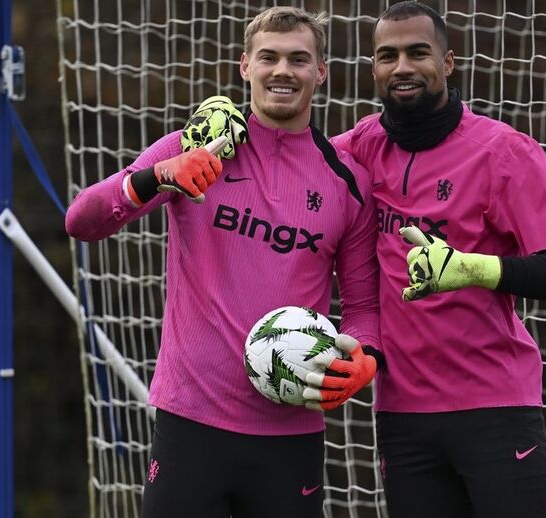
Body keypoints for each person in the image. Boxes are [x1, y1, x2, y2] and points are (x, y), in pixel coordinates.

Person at [186, 2, 546, 517]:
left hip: (495, 407)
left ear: (447, 62)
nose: (402, 66)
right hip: (402, 417)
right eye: (387, 55)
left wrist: (478, 268)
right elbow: (286, 158)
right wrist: (224, 118)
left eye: (418, 52)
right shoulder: (360, 148)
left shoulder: (504, 152)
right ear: (373, 69)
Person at [64, 7, 380, 518]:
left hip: (291, 431)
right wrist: (158, 174)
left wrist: (364, 359)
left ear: (321, 71)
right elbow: (81, 220)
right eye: (269, 58)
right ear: (244, 66)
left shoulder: (349, 183)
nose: (283, 71)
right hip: (191, 423)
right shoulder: (197, 150)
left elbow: (365, 307)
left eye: (299, 59)